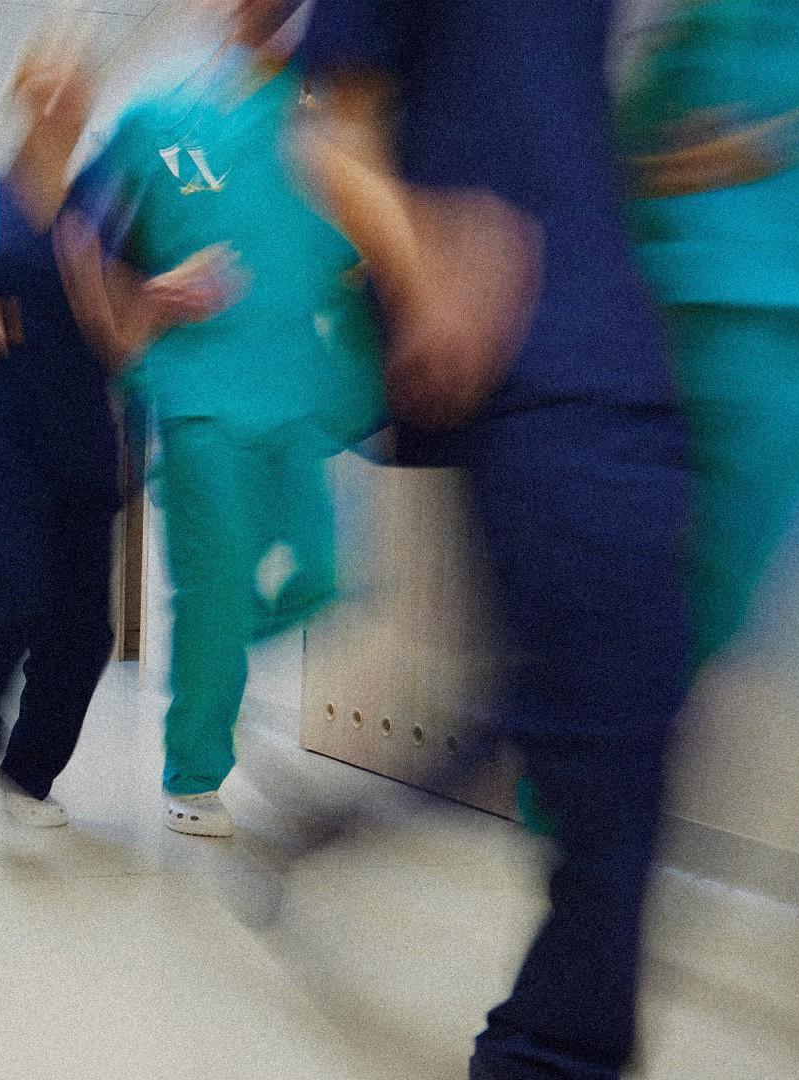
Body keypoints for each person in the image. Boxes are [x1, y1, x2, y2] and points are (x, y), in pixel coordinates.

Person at [295, 1, 695, 1077]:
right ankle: (551, 1053)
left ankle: (406, 794)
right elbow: (332, 137)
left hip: (629, 342)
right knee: (606, 736)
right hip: (518, 348)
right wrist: (422, 279)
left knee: (627, 708)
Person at [65, 0, 383, 838]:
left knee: (325, 573)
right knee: (212, 589)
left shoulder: (326, 124)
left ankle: (228, 632)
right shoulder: (157, 118)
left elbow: (363, 261)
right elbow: (84, 239)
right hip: (198, 390)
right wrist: (138, 304)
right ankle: (194, 768)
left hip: (296, 395)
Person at [619, 0, 799, 666]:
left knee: (696, 608)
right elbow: (638, 146)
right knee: (697, 609)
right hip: (757, 312)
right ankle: (569, 752)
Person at [0, 39, 124, 828]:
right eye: (46, 73)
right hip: (4, 428)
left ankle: (29, 774)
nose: (62, 88)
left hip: (86, 432)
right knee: (21, 596)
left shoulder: (107, 202)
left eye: (76, 75)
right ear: (22, 88)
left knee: (88, 630)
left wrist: (102, 302)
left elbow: (130, 332)